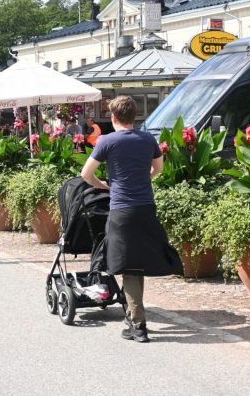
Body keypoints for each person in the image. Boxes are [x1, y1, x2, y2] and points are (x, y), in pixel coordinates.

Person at [80, 96, 183, 343]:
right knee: (136, 266)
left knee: (127, 266)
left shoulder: (108, 141)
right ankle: (133, 316)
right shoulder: (148, 139)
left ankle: (138, 325)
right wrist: (144, 177)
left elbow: (86, 174)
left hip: (122, 210)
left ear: (114, 117)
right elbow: (159, 169)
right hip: (146, 208)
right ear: (134, 116)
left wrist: (104, 186)